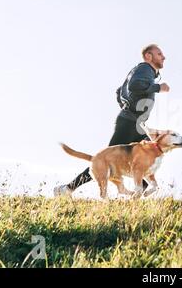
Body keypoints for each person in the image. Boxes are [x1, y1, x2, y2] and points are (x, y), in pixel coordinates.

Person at [54, 44, 170, 197]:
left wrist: (126, 104)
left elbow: (119, 91)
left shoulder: (140, 71)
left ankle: (138, 196)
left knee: (149, 156)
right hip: (129, 123)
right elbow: (135, 86)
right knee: (105, 160)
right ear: (148, 56)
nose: (164, 57)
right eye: (159, 54)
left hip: (134, 123)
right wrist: (158, 88)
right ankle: (67, 189)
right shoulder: (145, 70)